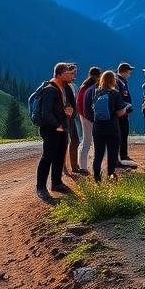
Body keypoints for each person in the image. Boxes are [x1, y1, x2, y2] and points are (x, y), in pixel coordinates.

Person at [35, 62, 75, 202]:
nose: (72, 75)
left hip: (62, 128)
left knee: (59, 156)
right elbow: (46, 113)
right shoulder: (50, 90)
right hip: (52, 130)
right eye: (69, 73)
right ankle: (41, 187)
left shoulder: (63, 88)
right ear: (60, 74)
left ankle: (56, 183)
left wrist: (69, 111)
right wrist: (56, 125)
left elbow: (62, 107)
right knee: (48, 157)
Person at [91, 70, 129, 181]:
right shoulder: (115, 93)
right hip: (112, 128)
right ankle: (111, 176)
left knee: (98, 153)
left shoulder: (96, 92)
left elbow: (92, 108)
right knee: (112, 154)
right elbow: (120, 113)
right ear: (113, 80)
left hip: (97, 127)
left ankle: (97, 178)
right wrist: (126, 109)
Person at [76, 66, 102, 172]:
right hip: (89, 117)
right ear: (97, 76)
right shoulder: (92, 88)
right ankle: (84, 166)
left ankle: (82, 164)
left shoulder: (84, 86)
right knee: (88, 142)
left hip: (83, 116)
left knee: (86, 141)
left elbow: (78, 102)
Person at [63, 63, 86, 177]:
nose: (75, 75)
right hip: (66, 118)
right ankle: (67, 167)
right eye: (72, 73)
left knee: (75, 140)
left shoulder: (71, 85)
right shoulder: (64, 86)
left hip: (71, 118)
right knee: (67, 142)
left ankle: (74, 166)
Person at [114, 62, 136, 166]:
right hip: (121, 112)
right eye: (128, 71)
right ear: (123, 71)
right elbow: (120, 97)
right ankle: (121, 155)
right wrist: (126, 107)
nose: (129, 73)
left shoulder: (122, 80)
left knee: (124, 132)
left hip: (124, 111)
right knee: (122, 132)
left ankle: (123, 154)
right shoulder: (118, 81)